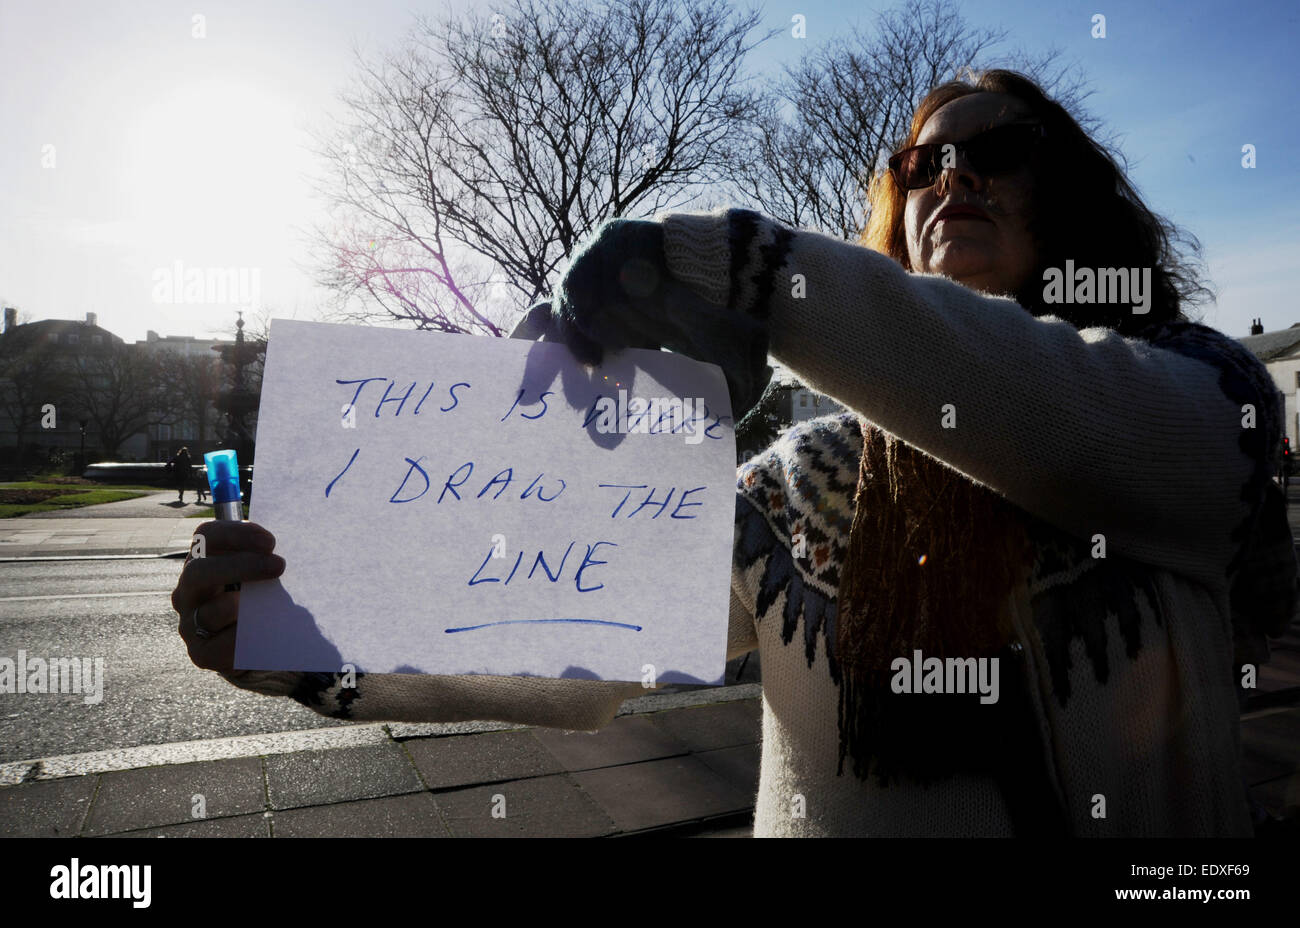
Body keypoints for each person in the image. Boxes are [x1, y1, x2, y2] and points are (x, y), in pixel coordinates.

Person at [172, 69, 1295, 836]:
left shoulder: (1201, 397)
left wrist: (724, 270)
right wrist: (296, 634)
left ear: (1072, 200)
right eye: (917, 165)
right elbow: (577, 647)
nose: (951, 178)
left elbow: (1042, 401)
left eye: (995, 153)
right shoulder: (794, 487)